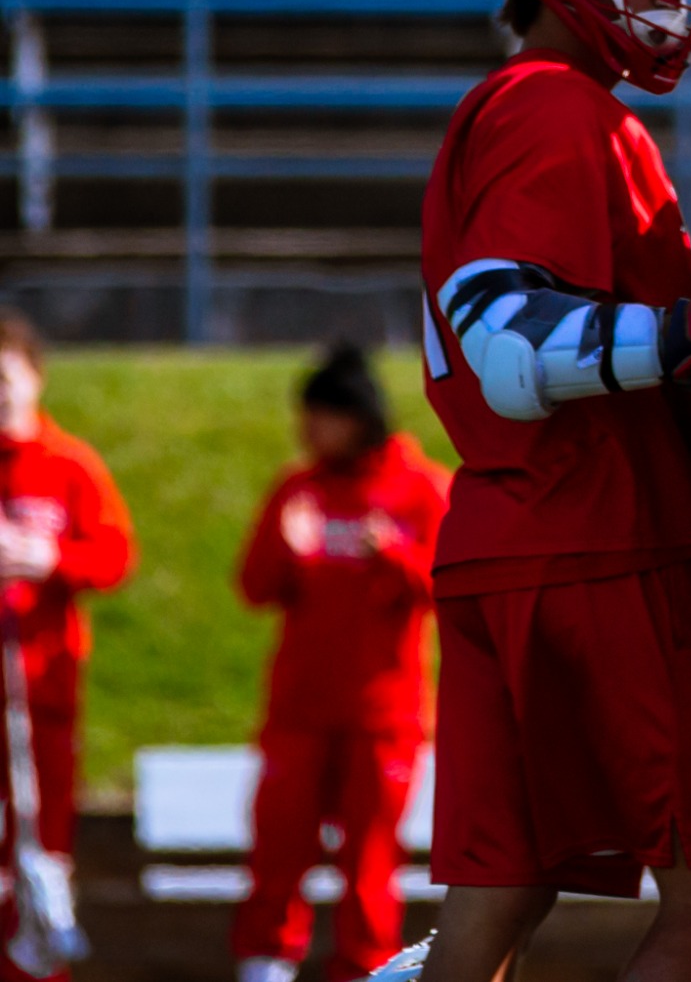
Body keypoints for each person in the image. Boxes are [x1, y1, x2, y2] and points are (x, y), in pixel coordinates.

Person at [418, 0, 691, 982]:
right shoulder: (558, 108)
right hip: (600, 536)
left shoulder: (521, 103)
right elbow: (511, 349)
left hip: (508, 535)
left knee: (495, 890)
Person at [231, 346, 450, 982]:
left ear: (357, 417)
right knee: (279, 854)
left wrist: (393, 556)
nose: (306, 432)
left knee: (370, 865)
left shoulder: (420, 489)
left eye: (319, 417)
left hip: (384, 717)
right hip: (299, 710)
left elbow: (448, 587)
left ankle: (364, 971)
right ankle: (267, 967)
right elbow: (253, 587)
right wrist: (286, 548)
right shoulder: (297, 489)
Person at [0, 310, 134, 982]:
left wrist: (48, 558)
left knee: (42, 848)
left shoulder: (69, 465)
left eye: (5, 377)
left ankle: (38, 968)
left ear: (34, 379)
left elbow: (113, 554)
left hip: (44, 692)